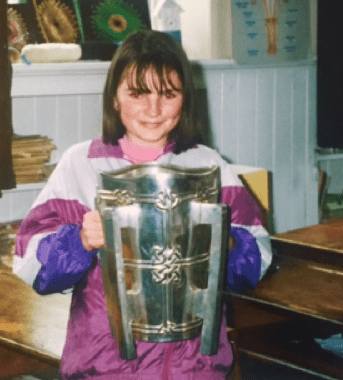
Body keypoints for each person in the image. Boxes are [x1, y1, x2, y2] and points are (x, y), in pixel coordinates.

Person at [14, 30, 272, 380]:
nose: (153, 109)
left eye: (169, 94)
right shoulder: (82, 165)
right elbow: (31, 263)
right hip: (107, 366)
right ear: (115, 99)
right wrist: (80, 241)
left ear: (186, 99)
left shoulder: (208, 165)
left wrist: (227, 241)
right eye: (137, 93)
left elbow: (256, 259)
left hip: (195, 368)